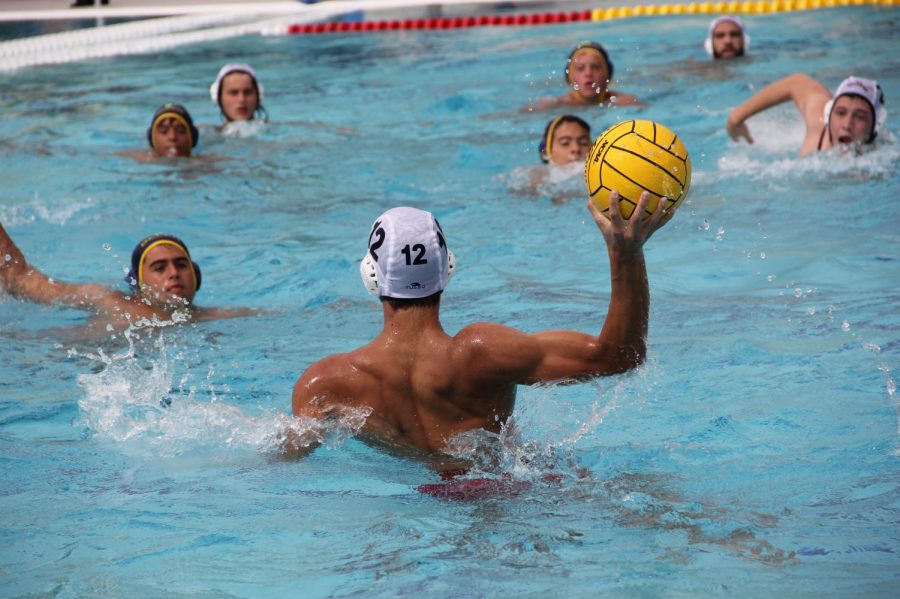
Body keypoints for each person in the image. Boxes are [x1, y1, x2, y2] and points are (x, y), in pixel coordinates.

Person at [288, 191, 674, 473]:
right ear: (447, 269)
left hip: (414, 512)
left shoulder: (325, 384)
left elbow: (282, 458)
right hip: (509, 497)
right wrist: (625, 253)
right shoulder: (483, 353)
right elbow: (619, 356)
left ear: (370, 276)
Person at [0, 224, 255, 333]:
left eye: (180, 264)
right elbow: (20, 280)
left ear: (195, 276)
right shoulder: (107, 300)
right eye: (159, 267)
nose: (173, 273)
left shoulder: (216, 317)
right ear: (139, 285)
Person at [726, 74, 887, 156]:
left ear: (876, 125)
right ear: (829, 114)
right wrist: (736, 118)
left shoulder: (883, 156)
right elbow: (795, 82)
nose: (847, 124)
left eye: (859, 116)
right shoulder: (818, 124)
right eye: (840, 113)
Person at [527, 42, 640, 111]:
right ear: (570, 76)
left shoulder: (625, 102)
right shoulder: (554, 105)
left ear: (607, 73)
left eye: (595, 67)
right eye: (580, 68)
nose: (588, 73)